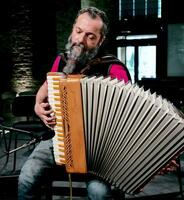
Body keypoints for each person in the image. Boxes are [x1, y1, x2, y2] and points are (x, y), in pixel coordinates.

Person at [18, 6, 131, 200]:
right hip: (59, 138)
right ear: (73, 29)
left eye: (90, 36)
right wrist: (38, 105)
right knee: (26, 178)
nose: (80, 40)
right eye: (78, 31)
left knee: (99, 193)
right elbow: (47, 85)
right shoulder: (61, 60)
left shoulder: (114, 69)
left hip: (98, 151)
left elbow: (129, 115)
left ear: (100, 40)